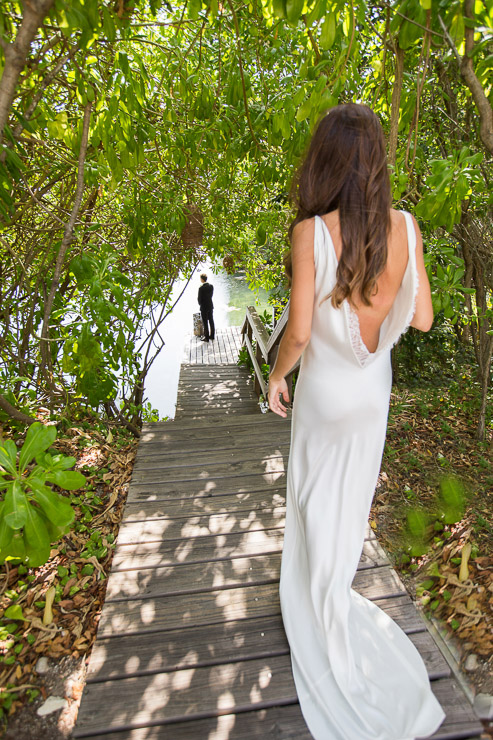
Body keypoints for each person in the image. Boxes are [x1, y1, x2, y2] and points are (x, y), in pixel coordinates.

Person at [267, 104, 445, 740]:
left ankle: (317, 611)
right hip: (372, 394)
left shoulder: (311, 232)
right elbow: (421, 317)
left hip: (325, 395)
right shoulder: (406, 227)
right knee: (346, 508)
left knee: (316, 501)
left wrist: (276, 374)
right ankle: (333, 596)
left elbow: (301, 331)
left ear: (327, 160)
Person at [198, 272, 215, 342]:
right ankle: (212, 335)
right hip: (210, 305)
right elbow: (211, 296)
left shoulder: (201, 288)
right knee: (211, 320)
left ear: (202, 279)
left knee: (205, 322)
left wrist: (200, 304)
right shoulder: (211, 286)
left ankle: (206, 337)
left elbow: (199, 299)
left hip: (204, 307)